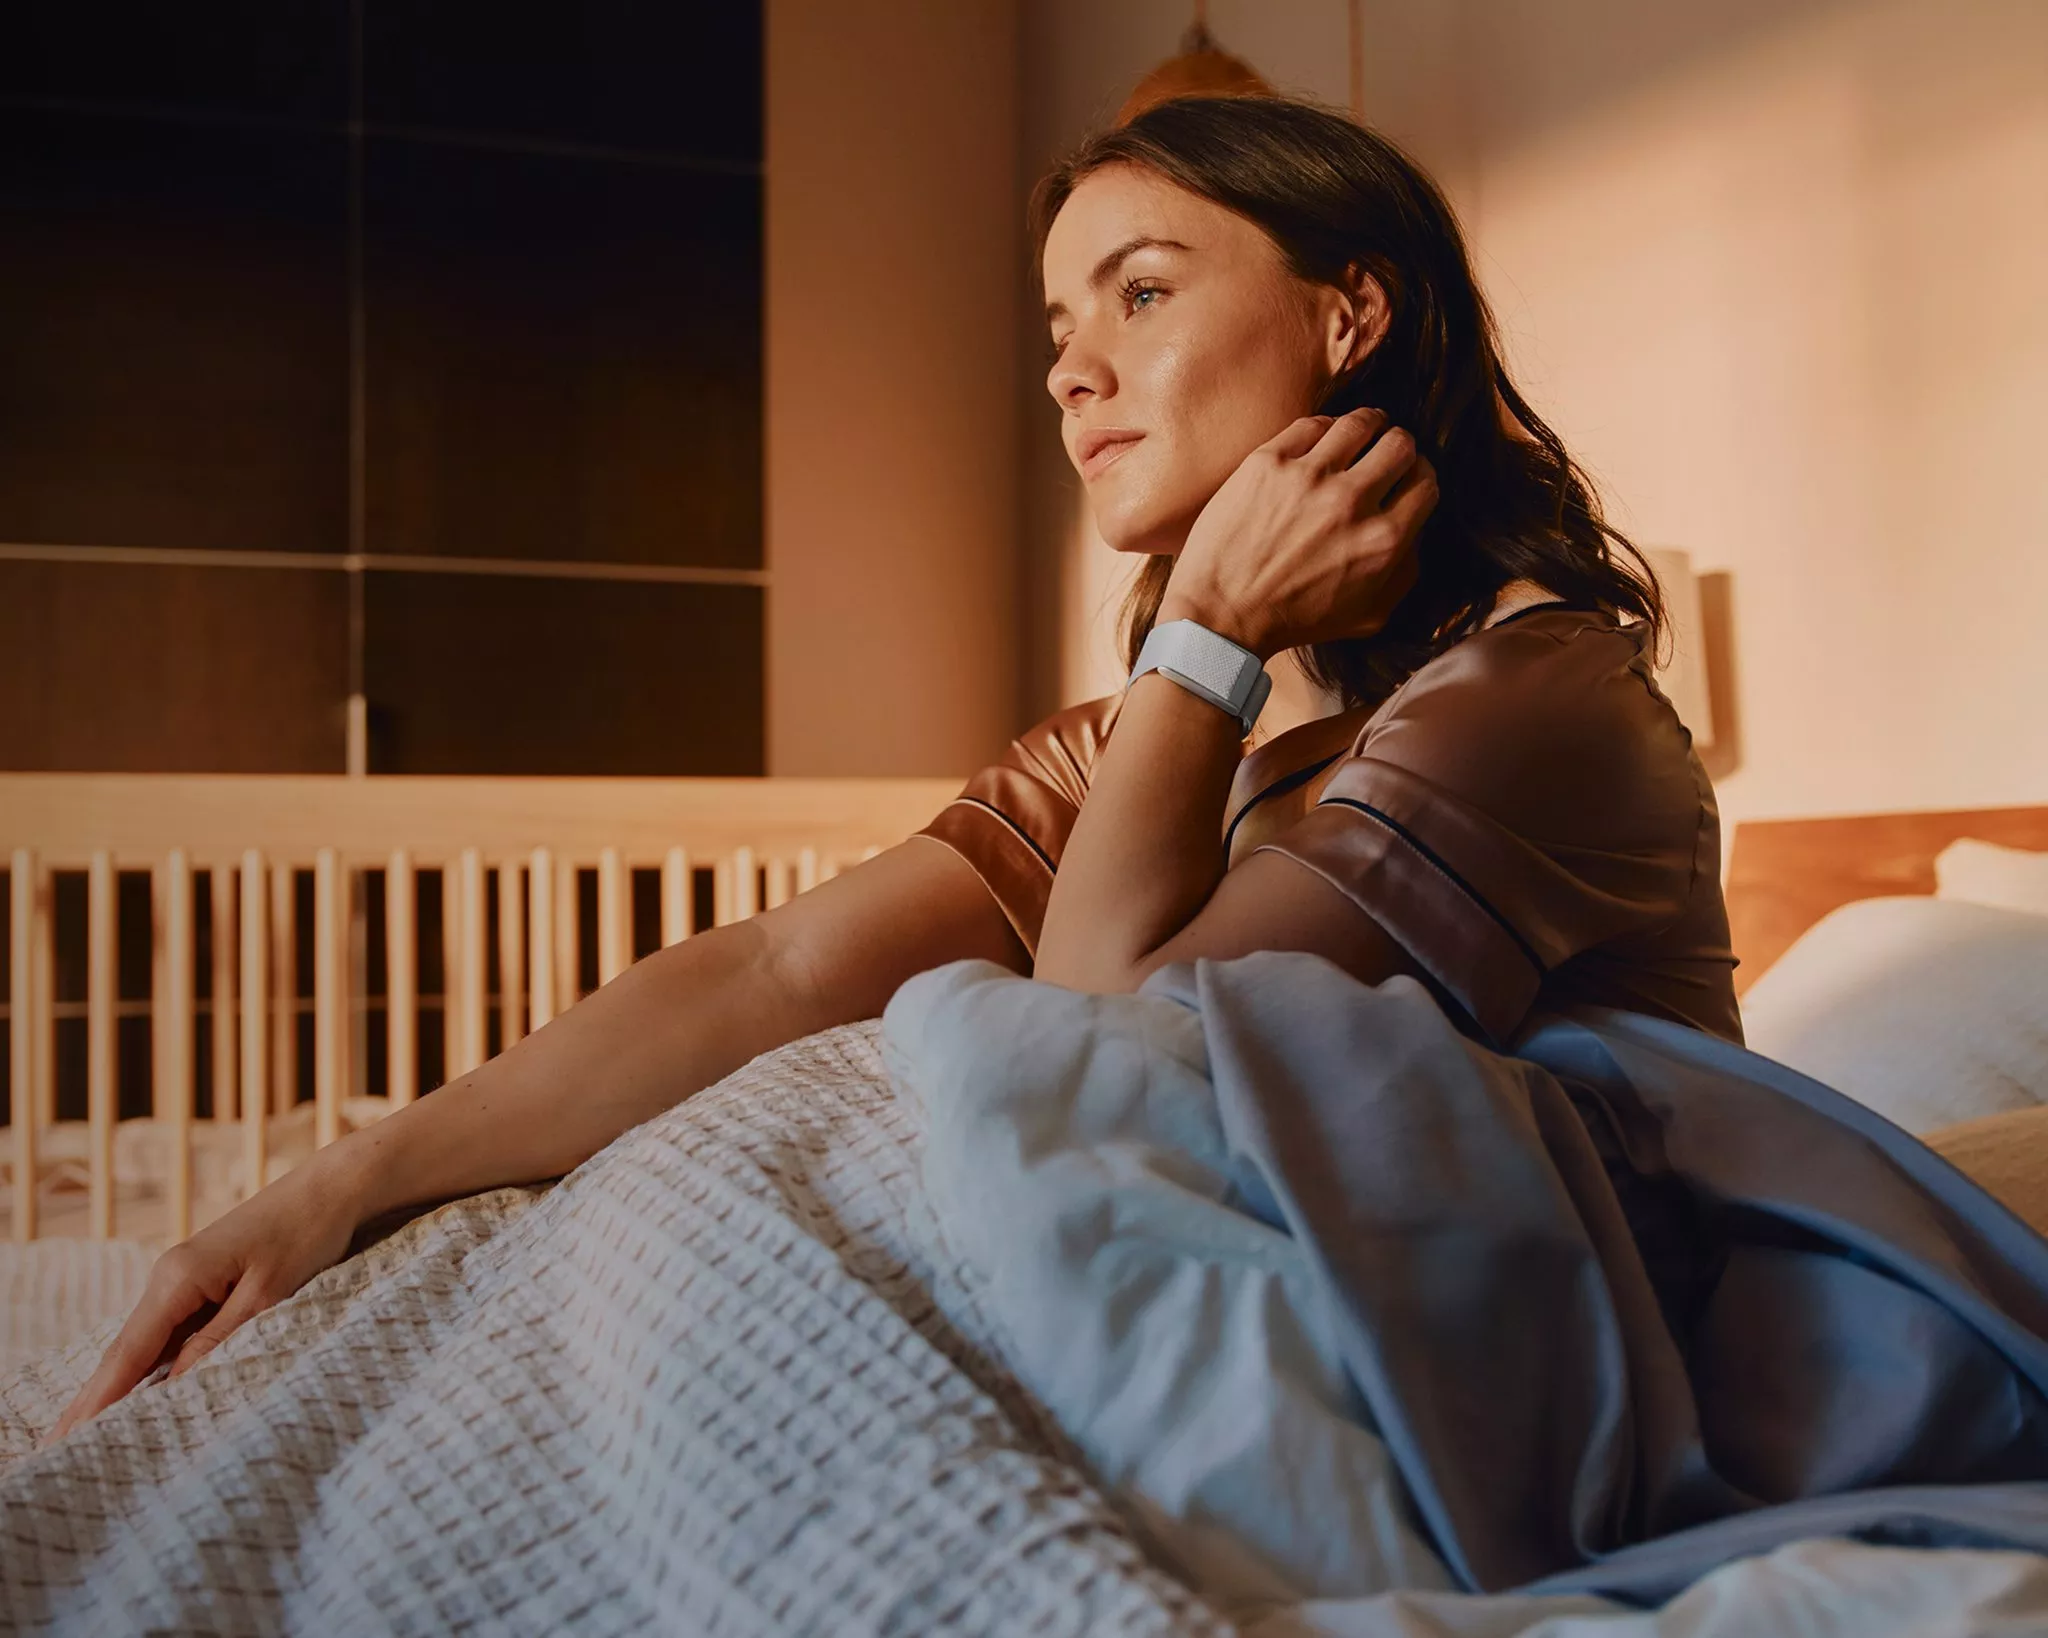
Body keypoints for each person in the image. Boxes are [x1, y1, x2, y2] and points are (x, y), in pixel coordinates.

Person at [47, 93, 1736, 1441]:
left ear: (1351, 309)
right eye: (1061, 321)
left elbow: (1107, 1049)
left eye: (1141, 292)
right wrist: (339, 1187)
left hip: (1558, 1405)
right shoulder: (1161, 737)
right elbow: (777, 963)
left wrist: (1204, 632)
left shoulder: (1533, 704)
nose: (1071, 368)